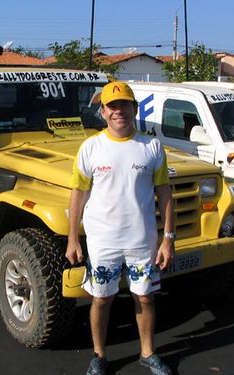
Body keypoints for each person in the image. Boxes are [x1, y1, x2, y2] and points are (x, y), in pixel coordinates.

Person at [66, 81, 175, 375]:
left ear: (134, 109)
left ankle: (148, 353)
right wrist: (72, 238)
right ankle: (99, 356)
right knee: (101, 298)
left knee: (145, 297)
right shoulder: (90, 147)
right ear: (102, 112)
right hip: (103, 241)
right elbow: (78, 194)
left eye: (124, 105)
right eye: (112, 106)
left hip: (143, 240)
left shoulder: (152, 147)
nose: (119, 111)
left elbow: (164, 193)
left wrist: (168, 239)